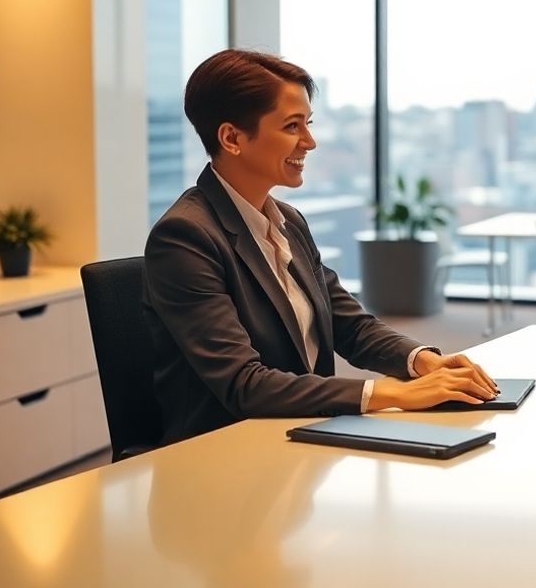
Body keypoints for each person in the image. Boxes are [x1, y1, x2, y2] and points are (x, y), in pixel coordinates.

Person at [145, 49, 498, 445]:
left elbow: (348, 325)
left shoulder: (287, 221)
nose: (310, 142)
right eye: (293, 126)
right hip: (225, 451)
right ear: (232, 138)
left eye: (308, 124)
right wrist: (392, 393)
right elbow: (244, 384)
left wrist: (422, 362)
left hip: (300, 434)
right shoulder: (185, 237)